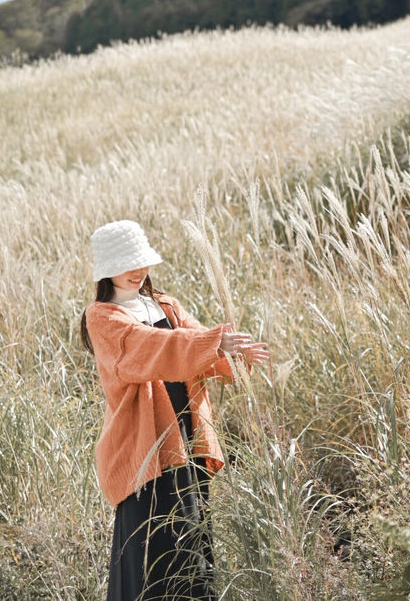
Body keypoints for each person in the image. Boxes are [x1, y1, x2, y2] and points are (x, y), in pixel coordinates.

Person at [80, 219, 269, 601]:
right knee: (151, 557)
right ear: (106, 270)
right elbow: (150, 348)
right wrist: (212, 343)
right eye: (126, 263)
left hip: (188, 441)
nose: (138, 271)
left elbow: (198, 350)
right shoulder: (103, 317)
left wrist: (232, 354)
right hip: (144, 452)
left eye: (142, 261)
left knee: (192, 548)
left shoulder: (164, 304)